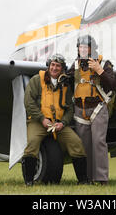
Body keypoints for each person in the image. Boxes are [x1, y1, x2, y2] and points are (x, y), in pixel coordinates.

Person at [22, 54, 88, 186]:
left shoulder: (65, 85)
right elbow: (28, 102)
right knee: (32, 144)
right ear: (48, 66)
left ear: (62, 68)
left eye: (58, 66)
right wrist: (42, 119)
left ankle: (83, 181)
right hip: (39, 122)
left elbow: (69, 108)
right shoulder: (36, 80)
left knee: (76, 143)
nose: (54, 68)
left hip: (58, 124)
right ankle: (29, 181)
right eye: (52, 65)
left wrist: (63, 123)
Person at [68, 35, 116, 185]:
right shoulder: (75, 66)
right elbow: (66, 78)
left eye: (85, 46)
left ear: (91, 48)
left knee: (98, 142)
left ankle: (102, 179)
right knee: (84, 145)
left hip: (98, 108)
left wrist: (100, 71)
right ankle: (87, 179)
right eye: (80, 47)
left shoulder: (104, 63)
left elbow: (112, 85)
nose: (82, 49)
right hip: (80, 110)